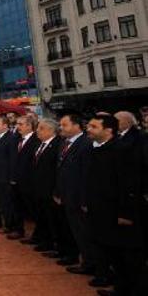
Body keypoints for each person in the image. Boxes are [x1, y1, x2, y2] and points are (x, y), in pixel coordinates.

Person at [85, 114, 143, 296]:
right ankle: (121, 287)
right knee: (113, 254)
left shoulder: (121, 150)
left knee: (128, 257)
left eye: (94, 126)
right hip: (101, 212)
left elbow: (130, 185)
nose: (89, 129)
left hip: (119, 215)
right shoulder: (97, 150)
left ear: (109, 130)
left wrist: (125, 213)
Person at [54, 113, 94, 271]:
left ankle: (91, 264)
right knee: (75, 232)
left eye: (65, 125)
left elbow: (86, 175)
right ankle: (84, 259)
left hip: (78, 198)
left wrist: (84, 200)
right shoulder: (64, 143)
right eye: (60, 125)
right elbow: (60, 169)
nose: (61, 128)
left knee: (84, 233)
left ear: (77, 126)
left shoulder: (85, 144)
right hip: (66, 196)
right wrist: (58, 192)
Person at [26, 118, 61, 254]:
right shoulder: (40, 145)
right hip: (38, 189)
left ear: (51, 131)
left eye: (41, 128)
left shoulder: (57, 144)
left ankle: (54, 244)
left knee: (52, 219)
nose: (37, 131)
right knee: (42, 217)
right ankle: (44, 240)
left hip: (49, 190)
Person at [8, 115, 40, 240]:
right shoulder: (16, 139)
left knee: (33, 209)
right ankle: (18, 229)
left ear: (29, 126)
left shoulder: (36, 140)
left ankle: (38, 234)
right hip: (15, 180)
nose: (17, 127)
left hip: (29, 182)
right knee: (17, 206)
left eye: (21, 124)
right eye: (17, 124)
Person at [0, 116, 17, 234]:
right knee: (1, 201)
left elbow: (12, 159)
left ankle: (10, 226)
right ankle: (5, 223)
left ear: (5, 125)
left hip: (5, 176)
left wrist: (11, 177)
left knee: (7, 203)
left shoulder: (11, 138)